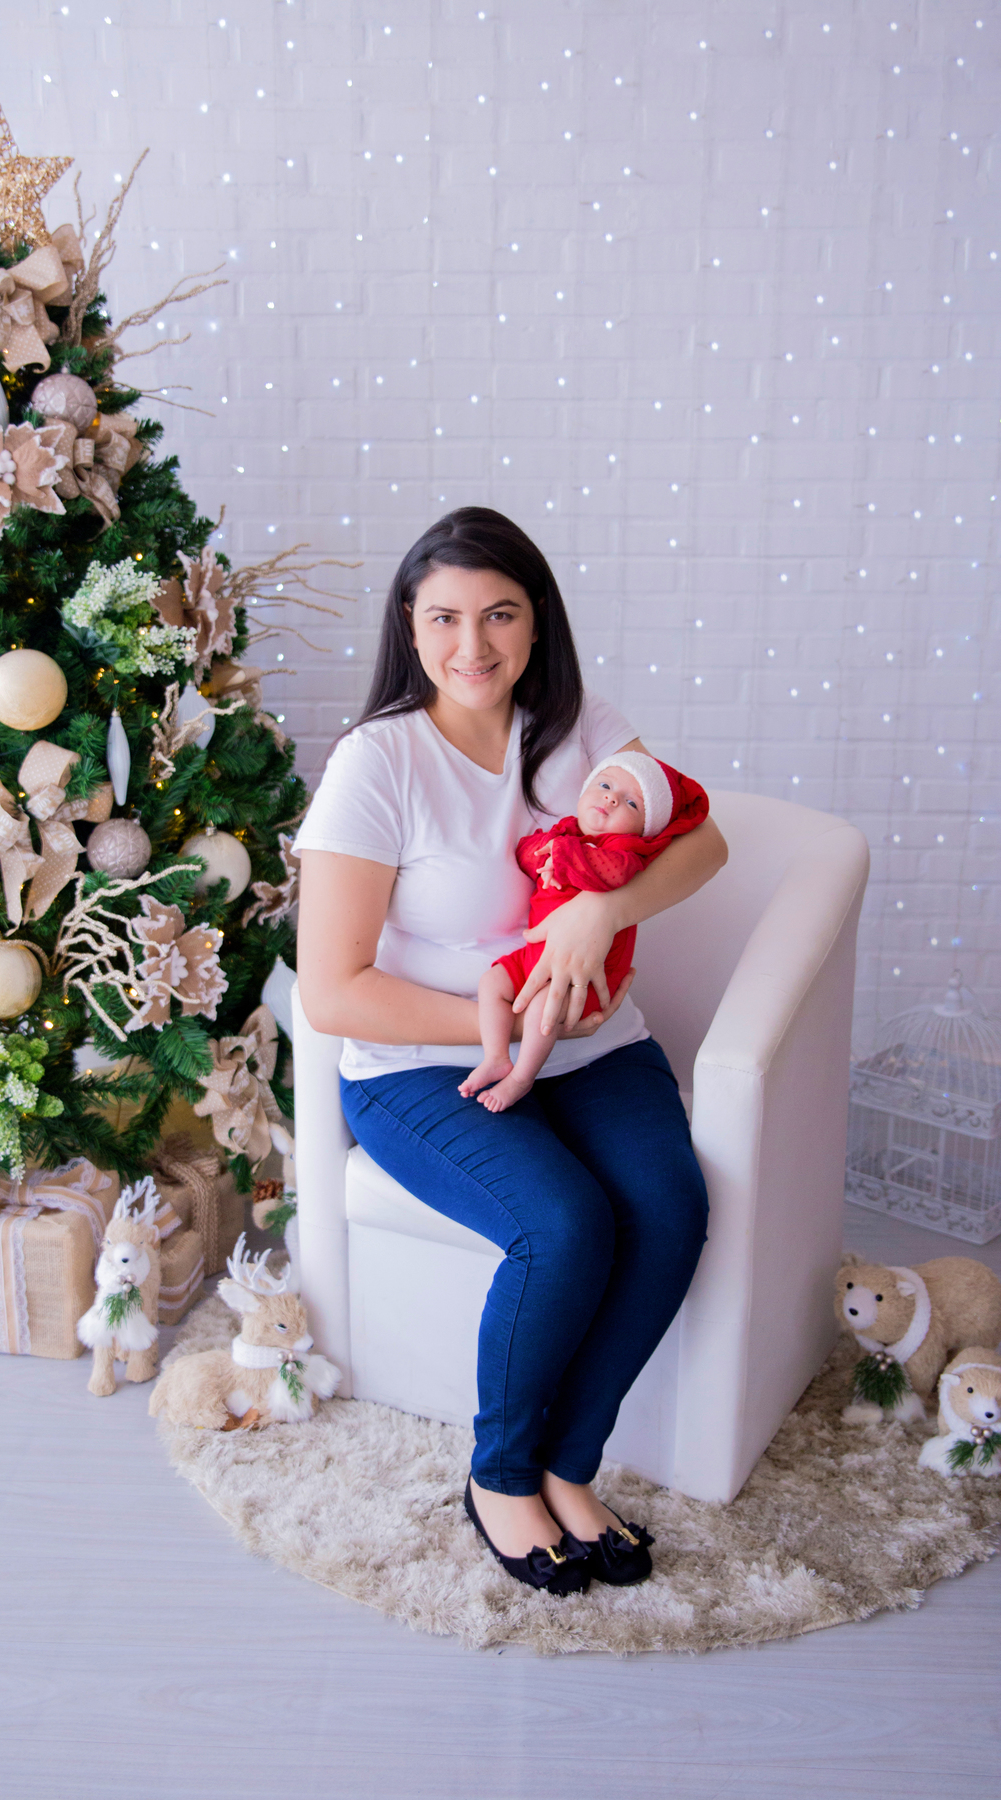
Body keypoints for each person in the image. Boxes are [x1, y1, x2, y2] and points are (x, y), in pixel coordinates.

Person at [294, 507, 725, 1597]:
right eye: (444, 618)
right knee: (563, 1225)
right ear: (409, 624)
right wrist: (503, 1022)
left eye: (500, 615)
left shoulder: (579, 728)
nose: (472, 646)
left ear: (538, 627)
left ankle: (570, 1466)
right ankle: (500, 1476)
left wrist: (597, 914)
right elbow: (336, 990)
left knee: (670, 1209)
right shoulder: (375, 763)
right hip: (424, 1067)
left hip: (594, 1048)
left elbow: (706, 843)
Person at [461, 752, 709, 1111]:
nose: (610, 798)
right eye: (605, 785)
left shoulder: (625, 850)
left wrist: (560, 855)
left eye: (631, 803)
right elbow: (525, 853)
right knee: (492, 983)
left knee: (544, 1008)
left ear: (645, 828)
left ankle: (521, 1077)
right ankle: (496, 1056)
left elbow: (609, 873)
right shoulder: (567, 831)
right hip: (538, 956)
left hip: (586, 973)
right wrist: (543, 853)